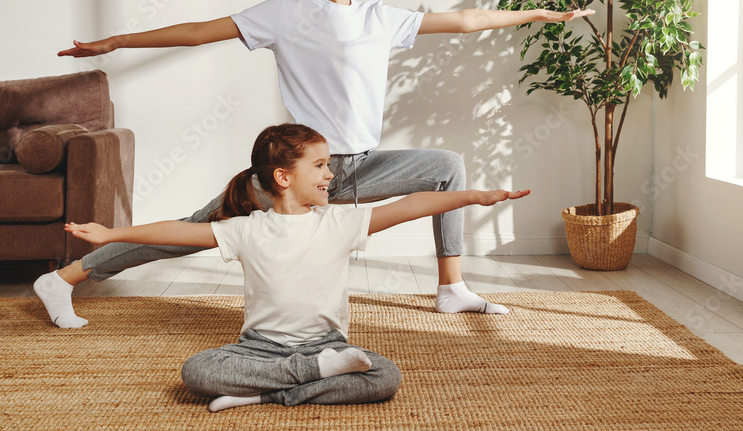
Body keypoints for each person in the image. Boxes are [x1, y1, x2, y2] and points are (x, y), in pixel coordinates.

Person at [37, 0, 592, 329]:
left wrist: (538, 14)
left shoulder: (380, 17)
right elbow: (201, 32)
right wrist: (117, 40)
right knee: (191, 230)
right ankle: (64, 278)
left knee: (447, 165)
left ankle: (451, 288)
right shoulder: (285, 13)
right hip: (298, 173)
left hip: (361, 166)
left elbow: (466, 19)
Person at [64, 123, 530, 411]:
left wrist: (475, 195)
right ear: (283, 178)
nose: (331, 175)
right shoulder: (248, 228)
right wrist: (111, 234)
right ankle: (311, 377)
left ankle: (265, 394)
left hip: (327, 344)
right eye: (321, 166)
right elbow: (176, 231)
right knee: (198, 371)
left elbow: (414, 204)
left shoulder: (341, 223)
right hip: (260, 347)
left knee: (385, 377)